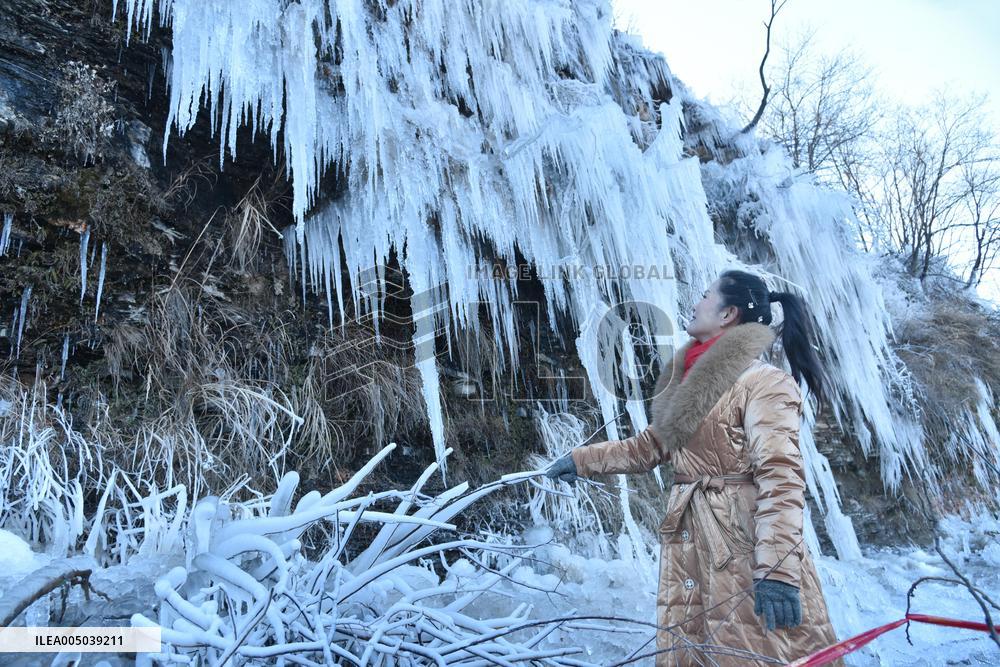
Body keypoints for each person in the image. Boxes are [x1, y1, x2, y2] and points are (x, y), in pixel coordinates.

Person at [546, 270, 842, 666]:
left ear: (728, 314)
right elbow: (649, 447)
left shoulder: (764, 382)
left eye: (705, 296)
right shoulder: (689, 382)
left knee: (748, 653)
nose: (695, 302)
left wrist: (777, 571)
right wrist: (581, 461)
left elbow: (780, 476)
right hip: (688, 540)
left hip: (741, 548)